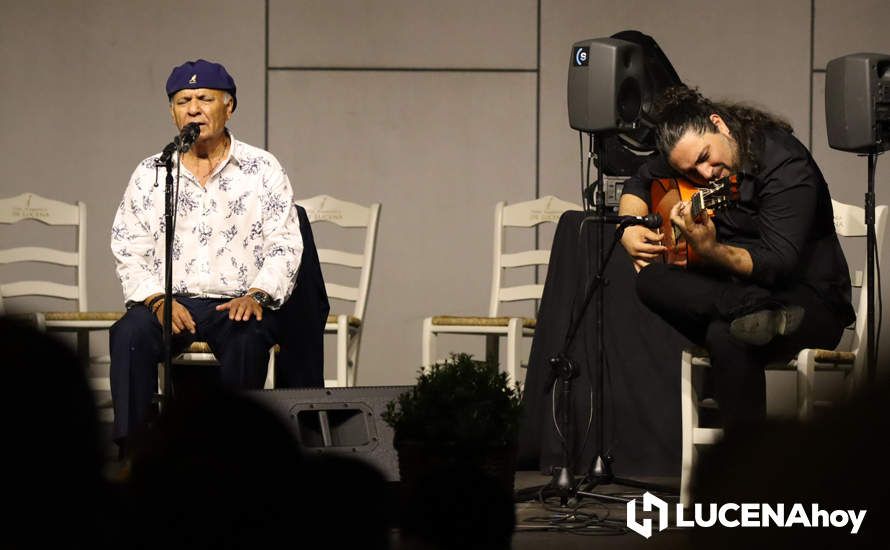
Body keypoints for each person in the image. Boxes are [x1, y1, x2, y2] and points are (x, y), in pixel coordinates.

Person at [618, 86, 854, 429]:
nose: (703, 175)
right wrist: (630, 225)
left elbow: (778, 262)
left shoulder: (784, 163)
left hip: (807, 302)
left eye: (704, 158)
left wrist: (711, 250)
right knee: (649, 279)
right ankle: (747, 307)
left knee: (727, 335)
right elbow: (639, 182)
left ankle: (743, 470)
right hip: (738, 296)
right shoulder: (688, 155)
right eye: (690, 173)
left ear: (720, 124)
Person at [109, 59, 303, 454]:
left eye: (204, 98)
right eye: (183, 101)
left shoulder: (261, 169)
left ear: (228, 106)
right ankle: (134, 450)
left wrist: (258, 295)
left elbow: (285, 243)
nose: (193, 109)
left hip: (236, 301)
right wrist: (156, 299)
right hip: (169, 301)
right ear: (172, 112)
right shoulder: (153, 172)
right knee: (129, 333)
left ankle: (233, 454)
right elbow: (128, 244)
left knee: (249, 338)